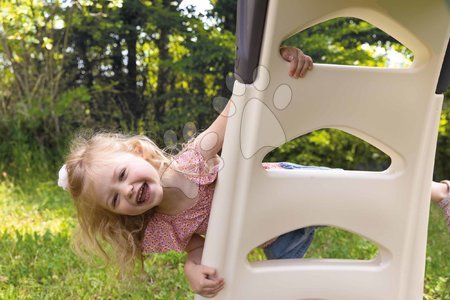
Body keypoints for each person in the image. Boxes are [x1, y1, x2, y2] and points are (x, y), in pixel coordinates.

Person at [58, 47, 450, 298]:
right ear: (117, 214)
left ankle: (439, 192)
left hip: (283, 187)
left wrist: (274, 67)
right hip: (274, 238)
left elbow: (236, 110)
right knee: (291, 289)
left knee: (357, 190)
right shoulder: (161, 228)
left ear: (140, 153)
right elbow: (197, 245)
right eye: (114, 197)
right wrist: (193, 270)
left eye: (124, 174)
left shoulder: (193, 162)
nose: (127, 191)